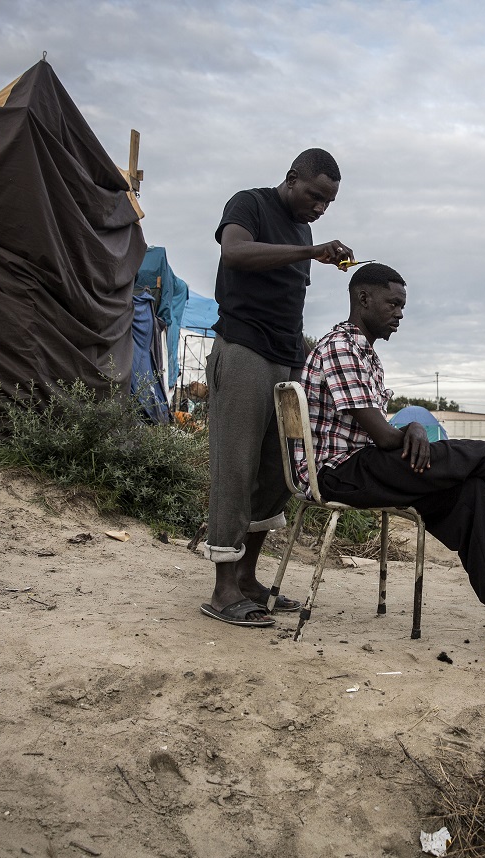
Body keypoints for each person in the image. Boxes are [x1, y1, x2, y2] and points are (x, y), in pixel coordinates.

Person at [298, 263, 485, 675]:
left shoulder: (365, 353)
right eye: (393, 303)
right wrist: (414, 425)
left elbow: (378, 433)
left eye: (403, 306)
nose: (400, 313)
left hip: (363, 466)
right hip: (339, 472)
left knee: (470, 492)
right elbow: (382, 436)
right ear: (363, 298)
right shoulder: (341, 347)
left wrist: (411, 429)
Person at [200, 148, 356, 628]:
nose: (319, 208)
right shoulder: (249, 204)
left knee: (280, 467)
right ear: (292, 179)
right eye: (315, 196)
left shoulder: (304, 229)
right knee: (236, 464)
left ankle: (248, 578)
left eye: (328, 203)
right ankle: (224, 589)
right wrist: (310, 251)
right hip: (244, 348)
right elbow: (236, 252)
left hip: (287, 357)